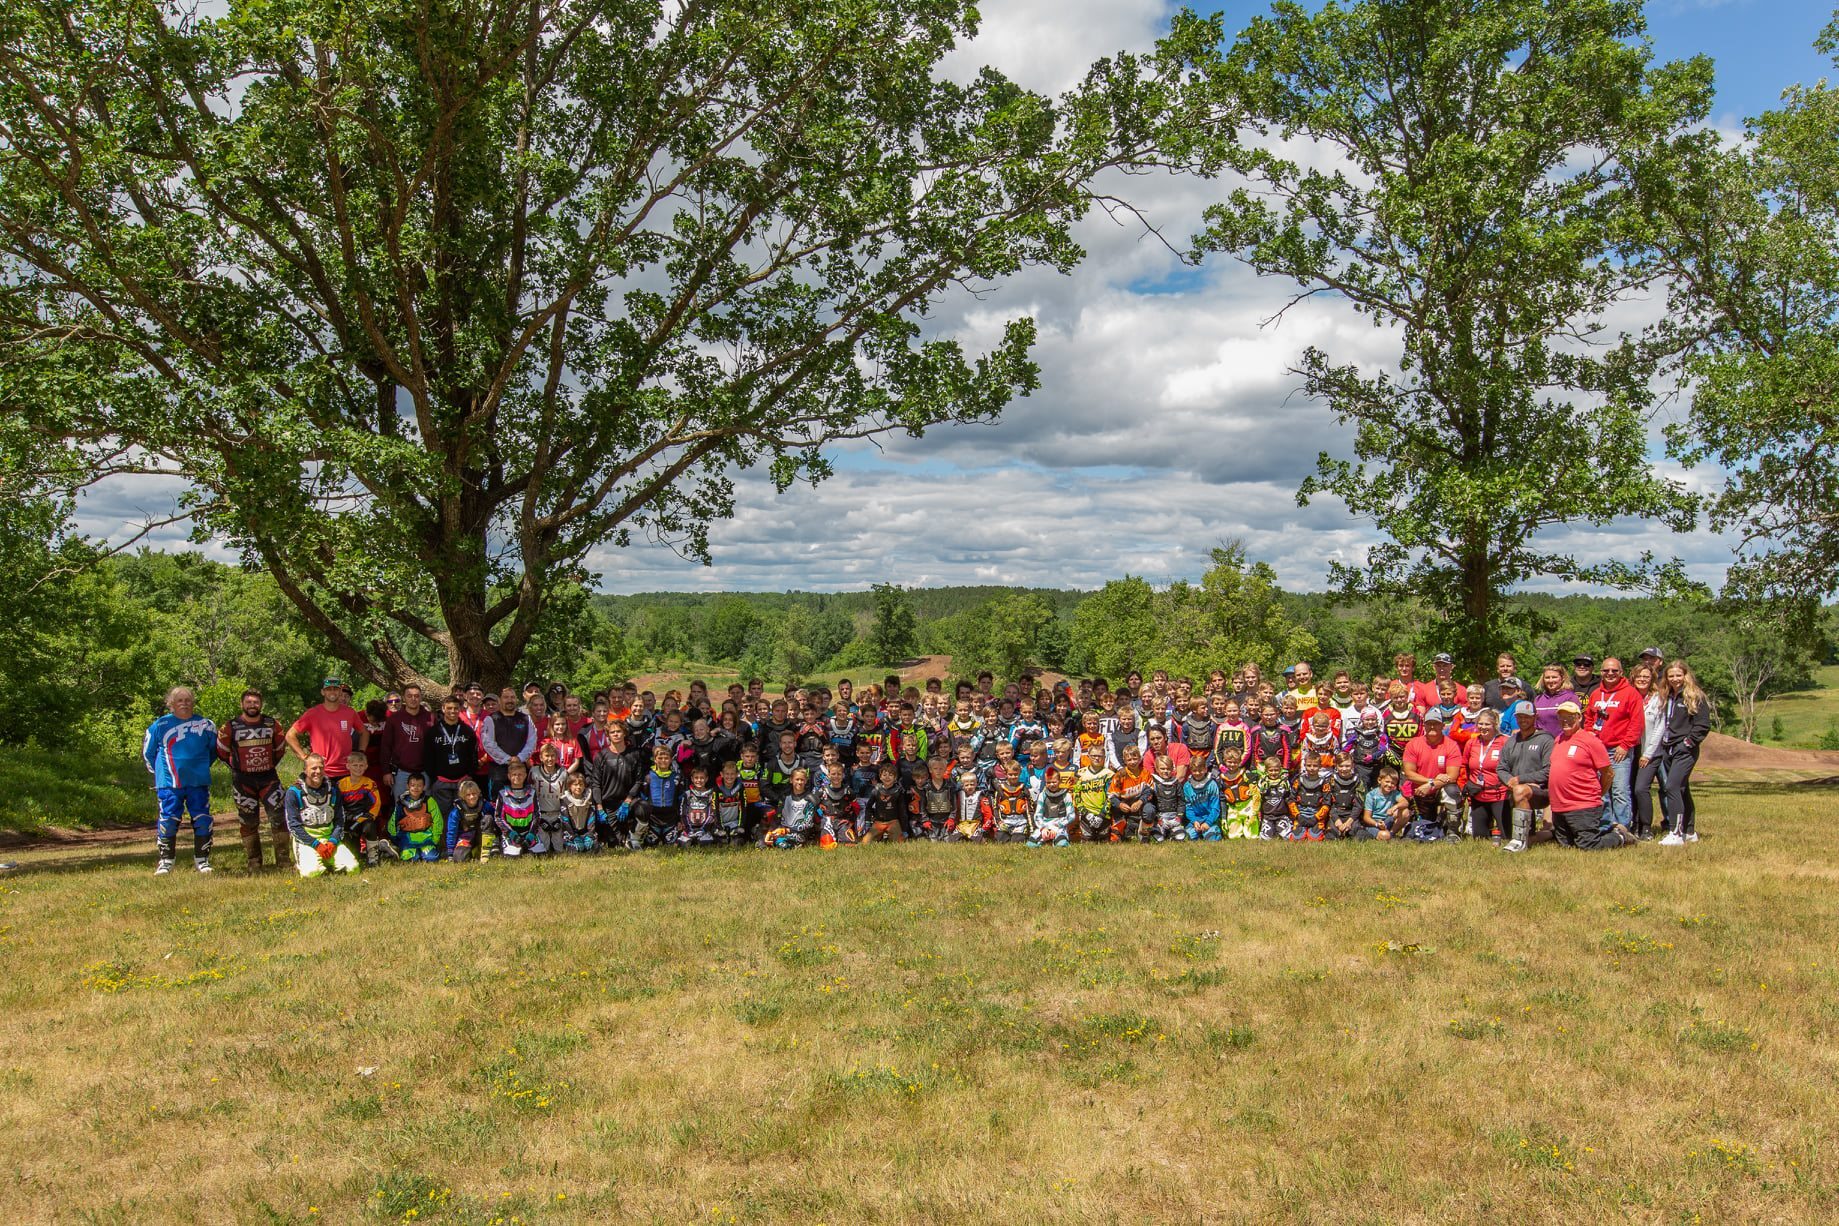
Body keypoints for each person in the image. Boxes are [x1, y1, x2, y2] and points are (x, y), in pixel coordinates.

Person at [143, 685, 218, 875]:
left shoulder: (206, 725)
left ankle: (202, 860)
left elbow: (214, 751)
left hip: (198, 781)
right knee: (168, 820)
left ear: (193, 703)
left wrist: (199, 767)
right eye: (179, 700)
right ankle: (166, 860)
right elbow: (149, 753)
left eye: (187, 700)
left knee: (202, 819)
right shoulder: (159, 725)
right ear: (171, 704)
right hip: (169, 783)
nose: (184, 704)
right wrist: (160, 772)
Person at [217, 688, 288, 872]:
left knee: (279, 818)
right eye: (248, 702)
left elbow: (280, 749)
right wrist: (238, 767)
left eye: (255, 702)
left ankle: (283, 862)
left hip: (269, 779)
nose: (252, 705)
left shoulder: (273, 724)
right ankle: (254, 863)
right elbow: (222, 752)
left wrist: (267, 764)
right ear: (242, 704)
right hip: (243, 781)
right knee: (248, 822)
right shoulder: (229, 726)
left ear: (261, 704)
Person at [1547, 700, 1632, 850]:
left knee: (1588, 845)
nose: (1565, 721)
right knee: (1566, 846)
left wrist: (1598, 793)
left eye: (1570, 717)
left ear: (1579, 718)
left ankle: (1619, 836)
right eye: (1561, 717)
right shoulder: (1558, 739)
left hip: (1582, 804)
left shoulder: (1590, 740)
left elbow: (1608, 773)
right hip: (1559, 806)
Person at [1656, 660, 1713, 846]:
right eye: (1671, 675)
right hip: (1668, 748)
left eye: (1678, 675)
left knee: (1671, 786)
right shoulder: (1666, 695)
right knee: (1682, 788)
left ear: (1685, 675)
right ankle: (1689, 831)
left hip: (1684, 749)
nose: (1675, 679)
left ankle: (1675, 831)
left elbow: (1703, 725)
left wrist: (1687, 743)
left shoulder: (1695, 696)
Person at [1585, 658, 1643, 834]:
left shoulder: (1631, 694)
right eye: (1606, 671)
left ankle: (1623, 827)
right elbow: (1589, 719)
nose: (1610, 674)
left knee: (1619, 790)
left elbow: (1637, 723)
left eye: (1614, 671)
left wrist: (1625, 745)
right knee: (1601, 790)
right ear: (1601, 672)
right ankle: (1605, 825)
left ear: (1621, 673)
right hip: (1598, 750)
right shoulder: (1596, 694)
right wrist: (1590, 738)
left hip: (1619, 750)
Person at [283, 753, 359, 876]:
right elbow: (293, 826)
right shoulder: (294, 792)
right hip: (306, 841)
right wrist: (316, 844)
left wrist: (333, 841)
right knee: (312, 873)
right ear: (305, 770)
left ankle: (327, 861)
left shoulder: (333, 789)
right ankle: (304, 864)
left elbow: (340, 820)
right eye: (313, 768)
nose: (317, 771)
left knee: (353, 868)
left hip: (329, 838)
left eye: (321, 768)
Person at [1498, 700, 1552, 853]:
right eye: (1520, 717)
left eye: (1527, 717)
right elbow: (1501, 767)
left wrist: (1522, 780)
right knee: (1503, 834)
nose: (1523, 720)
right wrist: (1511, 781)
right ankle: (1541, 835)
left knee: (1521, 790)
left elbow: (1548, 771)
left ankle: (1520, 841)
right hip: (1514, 789)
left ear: (1535, 717)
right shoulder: (1510, 741)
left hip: (1541, 791)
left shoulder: (1546, 740)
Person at [285, 678, 366, 779]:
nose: (332, 692)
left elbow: (364, 732)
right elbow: (290, 735)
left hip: (346, 771)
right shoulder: (313, 713)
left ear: (340, 692)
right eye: (328, 689)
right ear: (323, 692)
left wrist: (361, 753)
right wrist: (305, 757)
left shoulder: (350, 712)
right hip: (321, 772)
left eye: (335, 689)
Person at [379, 683, 438, 800]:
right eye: (409, 696)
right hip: (401, 772)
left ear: (421, 698)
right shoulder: (394, 719)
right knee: (401, 808)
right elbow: (386, 746)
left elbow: (437, 746)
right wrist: (386, 771)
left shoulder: (430, 718)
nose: (413, 699)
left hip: (425, 772)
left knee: (424, 809)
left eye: (416, 696)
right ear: (404, 698)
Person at [1630, 662, 1666, 841]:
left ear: (1652, 678)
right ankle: (1633, 824)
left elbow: (1660, 728)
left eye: (1646, 676)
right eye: (1639, 676)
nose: (1642, 679)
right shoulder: (1629, 696)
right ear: (1633, 678)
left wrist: (1648, 754)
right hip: (1631, 750)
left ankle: (1646, 827)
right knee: (1629, 789)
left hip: (1650, 752)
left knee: (1641, 789)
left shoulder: (1657, 698)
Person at [1463, 708, 1510, 842]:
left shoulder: (1505, 742)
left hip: (1499, 794)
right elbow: (1464, 765)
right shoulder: (1471, 743)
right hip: (1478, 794)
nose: (1483, 727)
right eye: (1480, 724)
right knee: (1479, 839)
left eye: (1487, 724)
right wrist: (1467, 785)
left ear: (1495, 725)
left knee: (1506, 837)